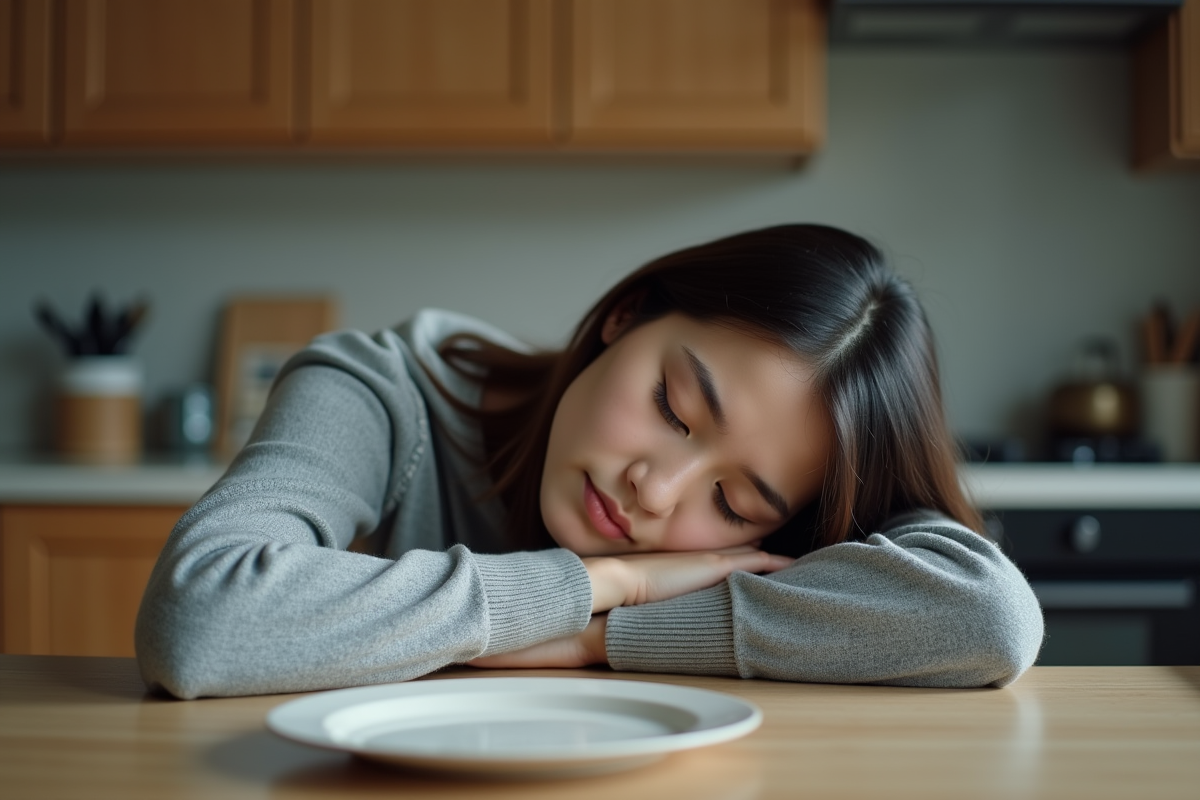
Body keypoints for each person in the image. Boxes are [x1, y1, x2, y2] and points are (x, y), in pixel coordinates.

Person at [135, 224, 1043, 699]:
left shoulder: (802, 513)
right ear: (629, 315)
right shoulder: (379, 389)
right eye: (671, 407)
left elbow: (987, 618)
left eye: (732, 502)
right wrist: (611, 582)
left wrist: (593, 640)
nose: (656, 488)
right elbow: (203, 622)